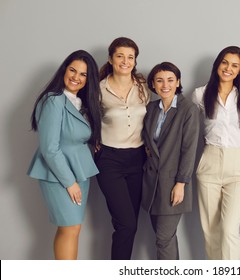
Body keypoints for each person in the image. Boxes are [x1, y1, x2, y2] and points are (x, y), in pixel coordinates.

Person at [27, 50, 102, 259]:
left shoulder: (80, 103)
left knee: (73, 228)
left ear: (89, 80)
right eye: (72, 70)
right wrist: (69, 182)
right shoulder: (54, 100)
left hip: (79, 172)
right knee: (69, 228)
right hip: (60, 175)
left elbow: (73, 135)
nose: (76, 77)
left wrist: (91, 142)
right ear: (64, 70)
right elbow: (50, 148)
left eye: (83, 74)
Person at [192, 46, 240, 260]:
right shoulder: (200, 94)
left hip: (238, 166)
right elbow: (187, 128)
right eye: (225, 62)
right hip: (209, 162)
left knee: (229, 230)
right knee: (210, 231)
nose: (228, 68)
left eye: (235, 65)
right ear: (217, 65)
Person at [95, 37, 150, 259]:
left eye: (130, 57)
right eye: (120, 56)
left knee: (129, 224)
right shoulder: (99, 88)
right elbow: (87, 118)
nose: (125, 61)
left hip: (137, 159)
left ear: (135, 60)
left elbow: (152, 117)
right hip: (110, 160)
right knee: (126, 224)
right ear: (111, 59)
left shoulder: (143, 86)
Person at [142, 62, 200, 259]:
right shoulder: (150, 109)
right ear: (153, 84)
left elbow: (189, 149)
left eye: (170, 80)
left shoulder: (188, 109)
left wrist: (181, 183)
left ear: (178, 82)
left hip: (172, 183)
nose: (164, 85)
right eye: (159, 80)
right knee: (165, 238)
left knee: (163, 238)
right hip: (151, 184)